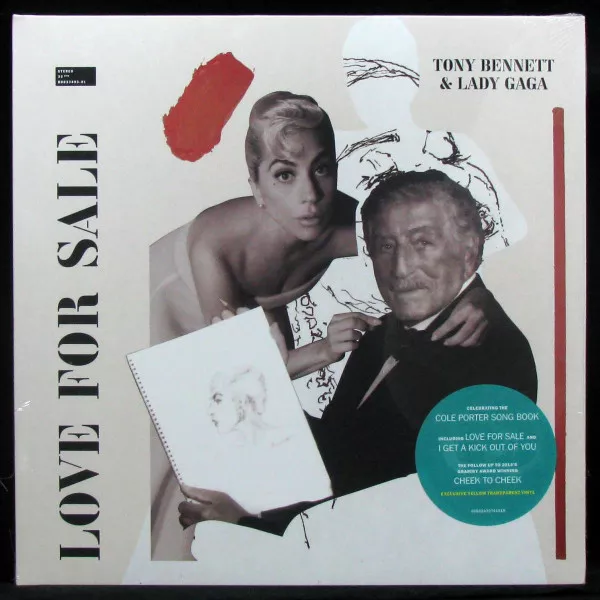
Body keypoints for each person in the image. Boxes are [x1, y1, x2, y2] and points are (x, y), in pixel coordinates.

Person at [150, 92, 489, 559]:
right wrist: (323, 351)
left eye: (322, 169)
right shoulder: (215, 244)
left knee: (255, 458)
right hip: (177, 302)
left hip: (253, 329)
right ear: (255, 185)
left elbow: (439, 242)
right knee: (180, 454)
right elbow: (228, 383)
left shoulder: (347, 222)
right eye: (284, 174)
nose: (309, 196)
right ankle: (171, 566)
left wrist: (475, 292)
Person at [179, 169, 537, 534]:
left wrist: (244, 524)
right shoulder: (384, 330)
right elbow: (340, 448)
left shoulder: (490, 357)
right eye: (386, 246)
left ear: (470, 250)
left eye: (423, 243)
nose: (400, 268)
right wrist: (264, 381)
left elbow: (387, 521)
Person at [208, 366, 289, 447]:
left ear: (243, 401)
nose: (210, 411)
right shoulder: (241, 448)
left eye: (218, 400)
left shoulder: (285, 440)